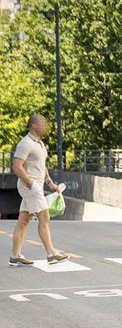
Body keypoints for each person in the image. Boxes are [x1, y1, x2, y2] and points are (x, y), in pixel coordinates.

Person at [11, 114, 67, 266]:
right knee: (45, 217)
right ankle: (51, 253)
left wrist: (50, 183)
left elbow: (42, 165)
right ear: (34, 126)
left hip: (36, 185)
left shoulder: (40, 144)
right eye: (43, 123)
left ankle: (15, 256)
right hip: (30, 186)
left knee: (23, 220)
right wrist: (31, 184)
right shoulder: (26, 143)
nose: (46, 126)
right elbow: (17, 166)